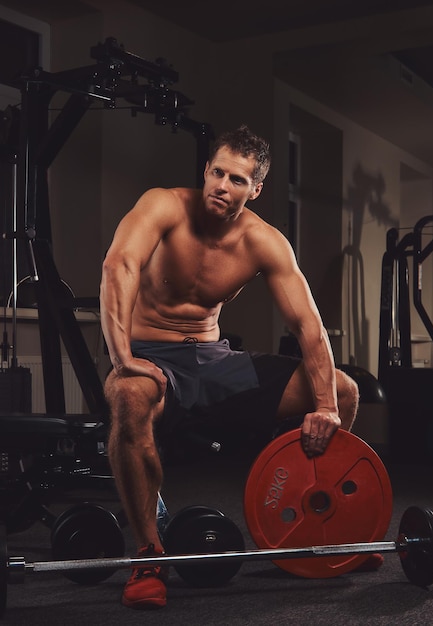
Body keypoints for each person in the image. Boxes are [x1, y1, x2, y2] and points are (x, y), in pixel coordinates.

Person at [100, 125, 361, 610]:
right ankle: (148, 551)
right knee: (127, 395)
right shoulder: (164, 205)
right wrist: (123, 358)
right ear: (205, 170)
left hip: (215, 361)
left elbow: (309, 326)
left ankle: (325, 526)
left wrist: (325, 405)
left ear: (255, 189)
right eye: (217, 172)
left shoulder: (264, 241)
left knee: (343, 392)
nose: (222, 185)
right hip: (152, 357)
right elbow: (120, 266)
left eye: (237, 179)